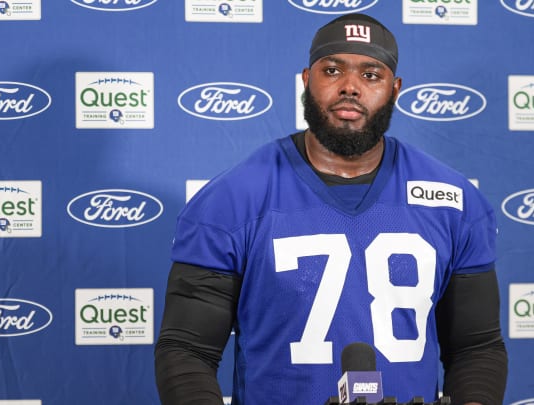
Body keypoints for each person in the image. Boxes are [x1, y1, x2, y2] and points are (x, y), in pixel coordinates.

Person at [155, 13, 508, 405]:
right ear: (307, 81)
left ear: (395, 89)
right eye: (333, 70)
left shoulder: (454, 200)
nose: (350, 87)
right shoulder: (231, 199)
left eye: (371, 74)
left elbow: (476, 346)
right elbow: (187, 349)